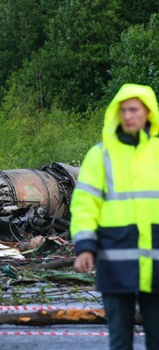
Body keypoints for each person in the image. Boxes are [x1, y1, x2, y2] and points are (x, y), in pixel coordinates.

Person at [70, 83, 159, 350]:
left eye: (134, 110)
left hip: (156, 263)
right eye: (123, 110)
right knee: (120, 341)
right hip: (115, 260)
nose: (128, 116)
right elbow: (85, 204)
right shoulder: (101, 155)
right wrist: (85, 247)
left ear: (148, 113)